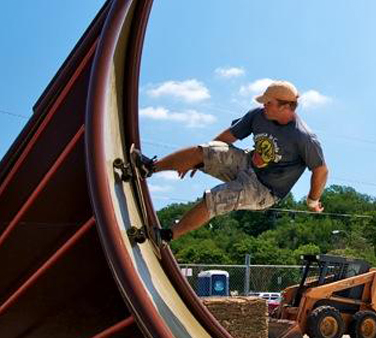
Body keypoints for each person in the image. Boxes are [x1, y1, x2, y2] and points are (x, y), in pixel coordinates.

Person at [137, 81, 328, 240]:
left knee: (216, 198)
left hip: (264, 190)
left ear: (285, 107)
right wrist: (201, 159)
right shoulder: (258, 115)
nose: (264, 106)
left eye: (269, 103)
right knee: (206, 149)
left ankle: (166, 235)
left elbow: (321, 170)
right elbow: (227, 137)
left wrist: (312, 200)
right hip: (247, 163)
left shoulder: (304, 137)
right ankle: (149, 168)